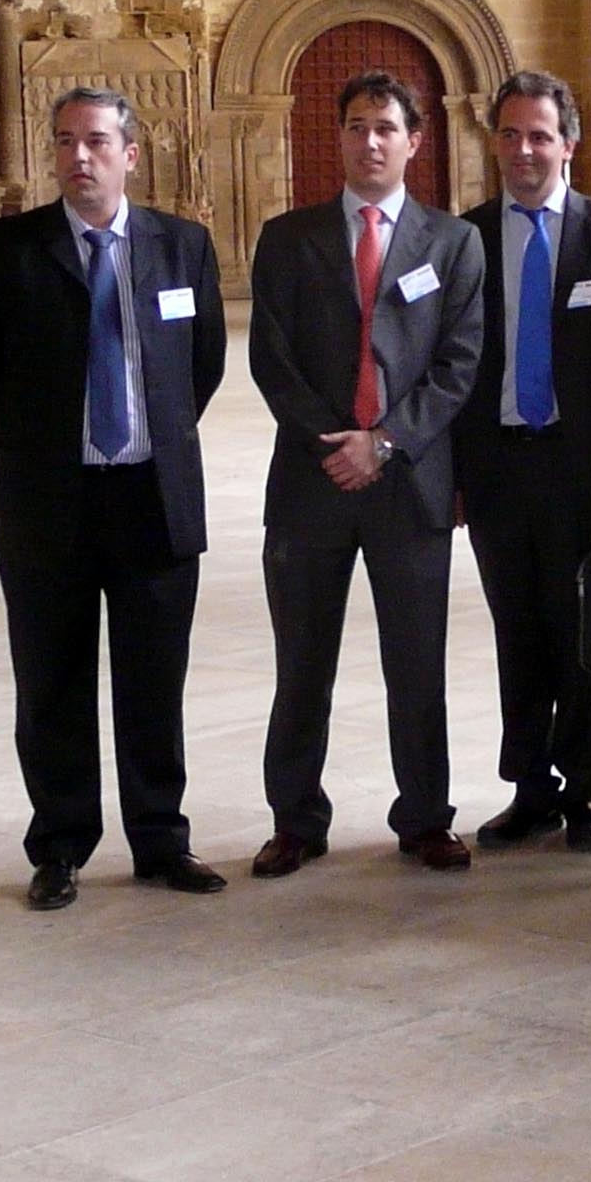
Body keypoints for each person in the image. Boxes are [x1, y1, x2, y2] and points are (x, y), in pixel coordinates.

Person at [0, 87, 229, 911]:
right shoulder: (6, 250)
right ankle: (61, 845)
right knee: (52, 682)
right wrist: (37, 443)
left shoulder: (182, 247)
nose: (79, 157)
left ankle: (160, 839)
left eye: (97, 142)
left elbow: (201, 363)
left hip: (153, 497)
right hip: (48, 502)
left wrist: (150, 431)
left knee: (154, 681)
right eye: (65, 141)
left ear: (130, 154)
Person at [246, 70, 487, 877]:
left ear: (415, 140)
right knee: (301, 665)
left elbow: (459, 364)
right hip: (311, 484)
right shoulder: (289, 238)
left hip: (410, 485)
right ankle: (295, 820)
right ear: (340, 137)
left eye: (386, 128)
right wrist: (336, 443)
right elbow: (272, 359)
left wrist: (385, 442)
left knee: (417, 665)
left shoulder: (453, 243)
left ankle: (425, 817)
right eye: (356, 126)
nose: (370, 141)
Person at [452, 71, 591, 854]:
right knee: (517, 633)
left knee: (580, 634)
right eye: (510, 135)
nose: (524, 150)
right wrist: (451, 476)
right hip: (496, 467)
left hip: (583, 470)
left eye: (540, 135)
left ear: (569, 144)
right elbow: (451, 365)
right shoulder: (465, 239)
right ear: (494, 143)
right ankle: (530, 788)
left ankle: (585, 792)